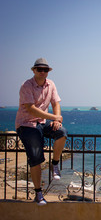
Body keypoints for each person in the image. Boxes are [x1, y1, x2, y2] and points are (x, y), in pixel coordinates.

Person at [15, 58, 67, 206]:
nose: (42, 72)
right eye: (39, 69)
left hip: (42, 123)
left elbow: (55, 103)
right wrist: (54, 117)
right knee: (36, 157)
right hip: (26, 124)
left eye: (45, 70)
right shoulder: (26, 86)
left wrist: (57, 121)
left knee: (62, 133)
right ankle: (38, 193)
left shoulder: (51, 85)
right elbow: (31, 109)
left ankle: (55, 164)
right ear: (34, 70)